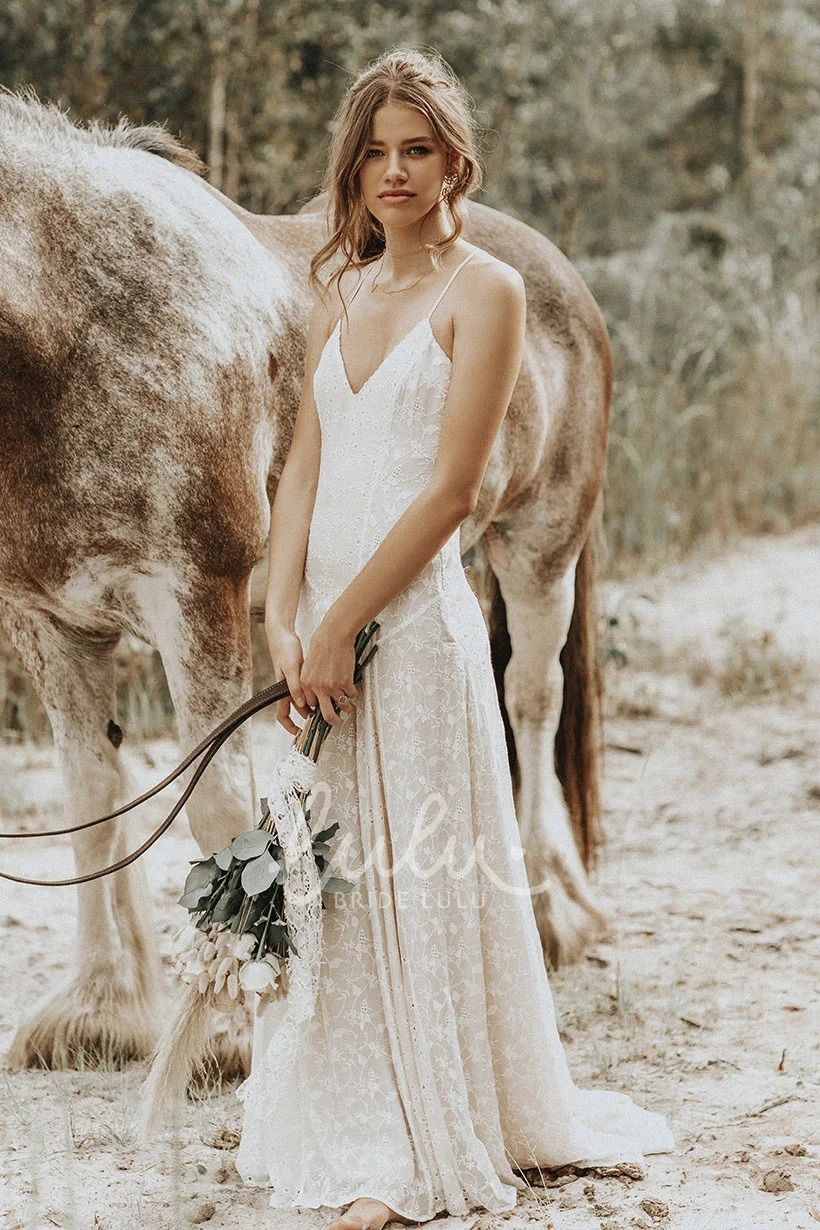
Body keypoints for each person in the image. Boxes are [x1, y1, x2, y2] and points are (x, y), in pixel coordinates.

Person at [235, 46, 674, 1230]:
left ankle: (408, 1146)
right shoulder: (337, 292)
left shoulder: (486, 293)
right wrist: (282, 617)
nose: (391, 171)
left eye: (414, 150)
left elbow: (448, 493)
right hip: (315, 623)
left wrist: (340, 623)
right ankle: (340, 1115)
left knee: (411, 871)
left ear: (452, 161)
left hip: (409, 623)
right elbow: (302, 472)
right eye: (373, 151)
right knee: (331, 873)